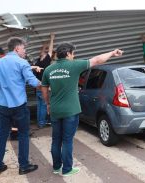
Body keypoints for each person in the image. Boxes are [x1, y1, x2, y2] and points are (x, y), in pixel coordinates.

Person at [41, 42, 123, 176]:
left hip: (55, 110)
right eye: (73, 53)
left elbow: (44, 88)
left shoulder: (49, 69)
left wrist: (48, 104)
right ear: (68, 54)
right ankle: (67, 169)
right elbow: (96, 60)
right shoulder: (74, 65)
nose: (74, 56)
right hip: (71, 110)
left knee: (56, 139)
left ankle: (56, 167)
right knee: (67, 140)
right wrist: (112, 53)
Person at [0, 37, 41, 175]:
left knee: (2, 134)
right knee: (23, 134)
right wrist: (46, 85)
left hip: (3, 106)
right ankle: (23, 166)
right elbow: (33, 81)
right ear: (17, 48)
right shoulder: (22, 62)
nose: (25, 52)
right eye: (24, 49)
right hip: (19, 106)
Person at [34, 33, 55, 128]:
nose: (46, 53)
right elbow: (50, 50)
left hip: (37, 87)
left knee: (39, 106)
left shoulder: (38, 62)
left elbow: (42, 51)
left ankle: (40, 122)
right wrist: (52, 39)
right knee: (44, 105)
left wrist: (44, 44)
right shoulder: (46, 61)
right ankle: (42, 123)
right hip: (43, 87)